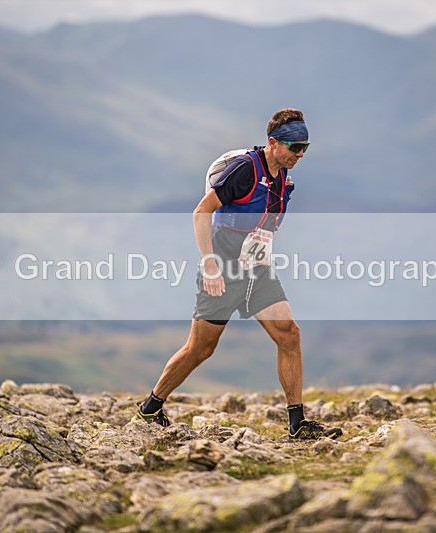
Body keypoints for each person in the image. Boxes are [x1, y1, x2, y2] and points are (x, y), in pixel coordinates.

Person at [133, 108, 342, 440]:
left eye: (305, 148)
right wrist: (210, 264)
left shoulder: (283, 178)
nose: (299, 155)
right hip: (223, 269)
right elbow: (202, 211)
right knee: (200, 348)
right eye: (294, 147)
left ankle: (297, 424)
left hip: (257, 270)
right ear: (273, 143)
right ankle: (151, 407)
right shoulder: (245, 169)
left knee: (290, 334)